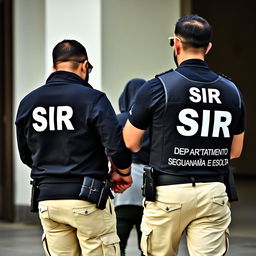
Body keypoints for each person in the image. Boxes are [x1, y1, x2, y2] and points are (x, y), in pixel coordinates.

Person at [123, 15, 245, 256]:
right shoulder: (231, 91)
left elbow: (130, 142)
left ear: (176, 44)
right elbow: (235, 151)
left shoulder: (157, 86)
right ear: (208, 47)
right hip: (213, 191)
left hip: (168, 191)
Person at [15, 39, 132, 256]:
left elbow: (26, 154)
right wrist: (122, 172)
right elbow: (116, 145)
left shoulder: (28, 102)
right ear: (84, 65)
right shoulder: (93, 98)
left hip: (48, 199)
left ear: (54, 67)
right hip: (88, 197)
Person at [114, 78, 150, 256]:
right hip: (150, 186)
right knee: (148, 246)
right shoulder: (154, 121)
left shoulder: (119, 120)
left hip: (123, 186)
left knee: (116, 245)